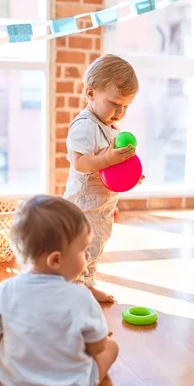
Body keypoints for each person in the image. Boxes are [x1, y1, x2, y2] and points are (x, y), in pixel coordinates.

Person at [0, 195, 119, 386]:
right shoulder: (81, 297)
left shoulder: (2, 291)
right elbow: (96, 349)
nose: (88, 255)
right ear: (55, 260)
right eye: (84, 250)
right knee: (112, 346)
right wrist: (94, 338)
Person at [64, 54, 140, 303]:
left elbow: (110, 168)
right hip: (83, 206)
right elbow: (81, 163)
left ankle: (87, 283)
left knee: (96, 246)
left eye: (126, 106)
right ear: (90, 92)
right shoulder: (85, 125)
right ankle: (74, 288)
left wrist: (129, 173)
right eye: (115, 103)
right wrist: (109, 159)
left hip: (103, 206)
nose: (120, 112)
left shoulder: (110, 126)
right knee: (80, 249)